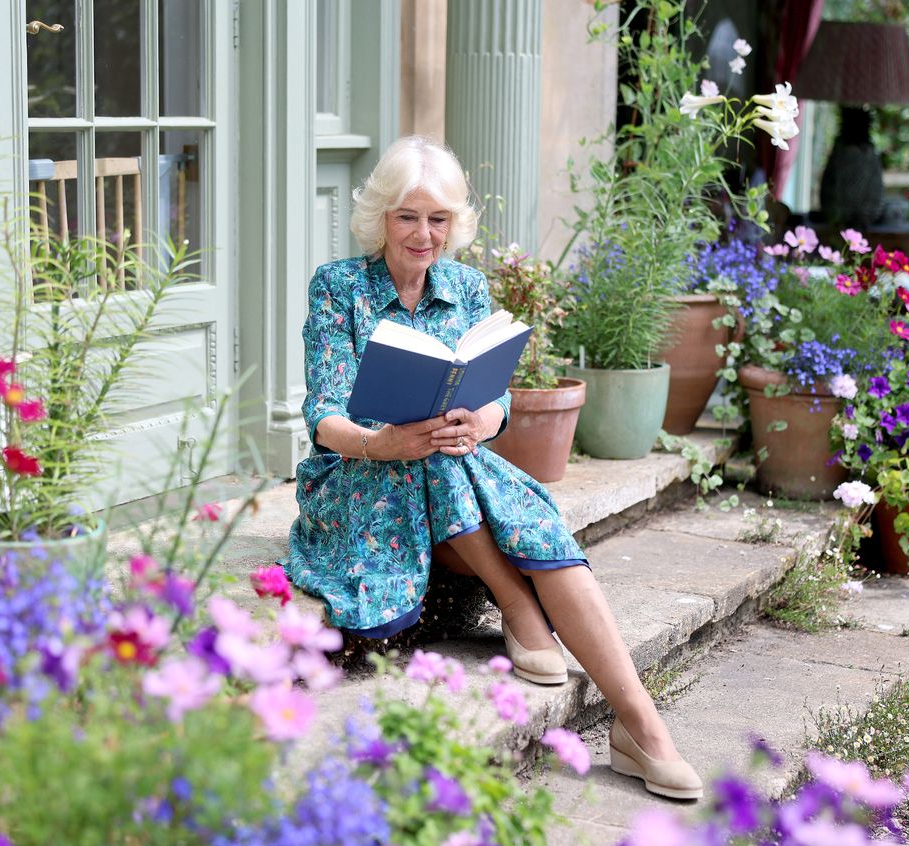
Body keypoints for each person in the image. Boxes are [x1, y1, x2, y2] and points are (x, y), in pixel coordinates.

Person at [285, 136, 702, 800]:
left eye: (439, 219)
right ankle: (515, 600)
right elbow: (324, 414)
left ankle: (644, 730)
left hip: (450, 470)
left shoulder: (467, 286)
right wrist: (386, 442)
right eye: (408, 216)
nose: (424, 234)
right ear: (381, 218)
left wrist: (483, 420)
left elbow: (495, 393)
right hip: (359, 477)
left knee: (473, 474)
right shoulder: (340, 287)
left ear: (455, 224)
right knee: (434, 459)